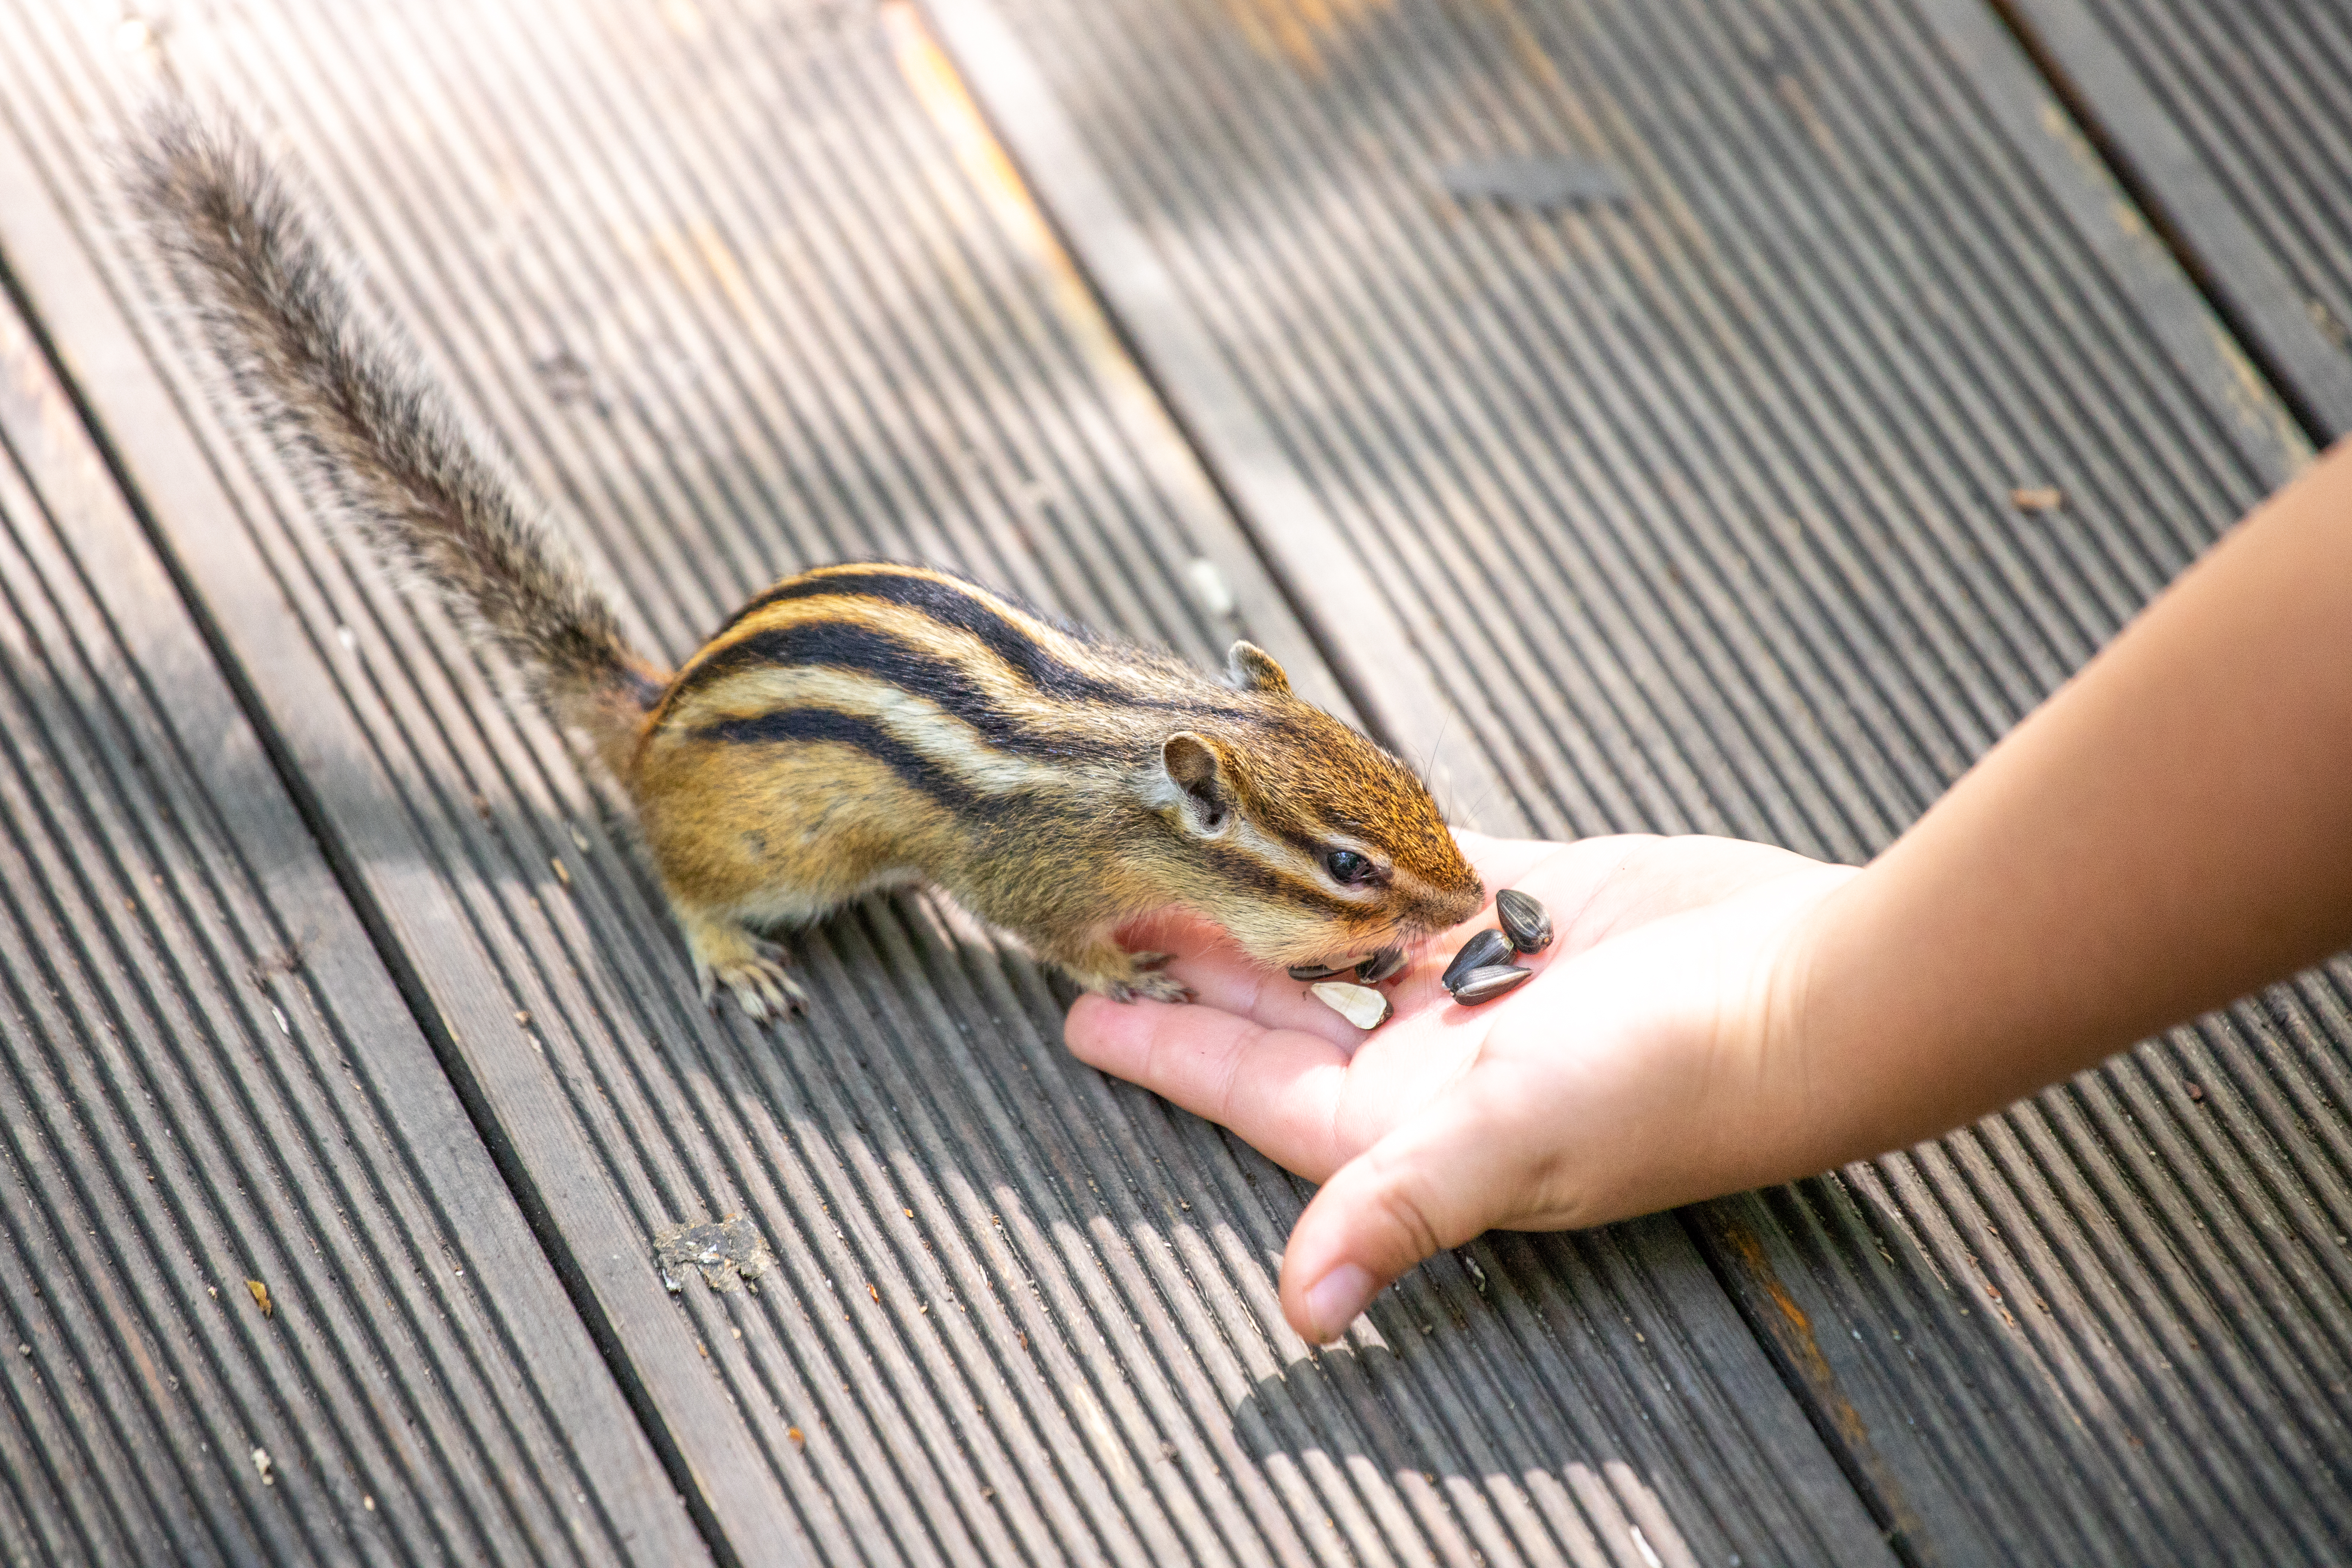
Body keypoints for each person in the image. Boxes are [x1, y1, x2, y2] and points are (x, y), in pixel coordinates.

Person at [1065, 439, 2352, 1346]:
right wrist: (1785, 1001)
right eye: (1357, 875)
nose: (1442, 921)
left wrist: (1785, 1015)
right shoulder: (1095, 839)